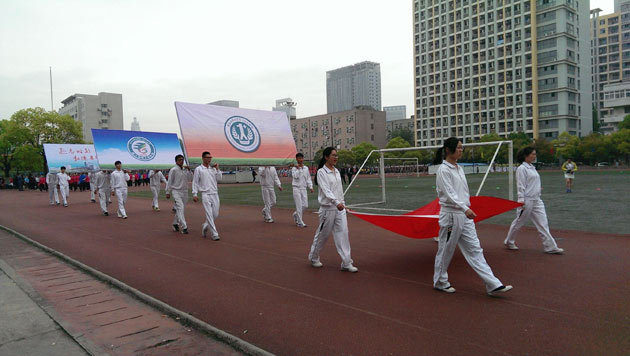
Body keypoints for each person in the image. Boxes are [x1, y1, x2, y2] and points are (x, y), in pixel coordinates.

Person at [433, 137, 512, 296]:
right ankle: (440, 281)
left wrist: (466, 206)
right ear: (449, 150)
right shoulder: (443, 170)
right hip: (451, 215)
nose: (461, 150)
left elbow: (462, 192)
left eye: (462, 148)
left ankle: (493, 284)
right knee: (446, 249)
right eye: (459, 148)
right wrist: (464, 207)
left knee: (475, 249)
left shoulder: (459, 168)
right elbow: (449, 193)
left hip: (464, 215)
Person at [504, 147, 564, 254]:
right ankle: (509, 241)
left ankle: (550, 246)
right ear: (526, 155)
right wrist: (521, 200)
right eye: (533, 154)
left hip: (537, 200)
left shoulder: (532, 167)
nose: (534, 156)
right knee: (518, 222)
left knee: (543, 223)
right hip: (527, 200)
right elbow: (520, 185)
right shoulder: (522, 169)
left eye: (535, 154)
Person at [308, 147, 358, 272]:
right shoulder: (321, 172)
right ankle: (314, 257)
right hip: (327, 209)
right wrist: (336, 202)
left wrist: (342, 204)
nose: (336, 157)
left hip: (339, 209)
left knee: (343, 233)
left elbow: (339, 191)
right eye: (333, 155)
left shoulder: (336, 171)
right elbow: (326, 191)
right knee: (323, 235)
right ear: (326, 157)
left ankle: (346, 262)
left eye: (337, 155)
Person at [192, 151, 222, 240]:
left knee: (215, 214)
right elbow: (195, 182)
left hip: (215, 193)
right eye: (207, 157)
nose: (209, 159)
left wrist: (217, 169)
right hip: (205, 194)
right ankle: (214, 234)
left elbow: (219, 178)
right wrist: (195, 193)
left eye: (210, 157)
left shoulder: (213, 169)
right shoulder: (199, 169)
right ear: (203, 158)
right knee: (209, 214)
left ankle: (205, 225)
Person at [166, 154, 193, 234]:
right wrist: (168, 191)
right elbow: (170, 181)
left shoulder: (185, 170)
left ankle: (175, 223)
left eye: (182, 159)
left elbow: (190, 179)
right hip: (176, 191)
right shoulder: (173, 169)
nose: (181, 161)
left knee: (180, 209)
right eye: (180, 160)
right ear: (176, 161)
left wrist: (189, 170)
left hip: (184, 192)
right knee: (180, 207)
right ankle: (184, 226)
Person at [290, 153, 314, 228]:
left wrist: (310, 186)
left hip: (303, 188)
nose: (300, 159)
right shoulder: (294, 168)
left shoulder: (306, 168)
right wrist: (298, 169)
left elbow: (308, 178)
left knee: (305, 205)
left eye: (301, 158)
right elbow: (295, 176)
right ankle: (300, 222)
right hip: (296, 188)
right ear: (296, 159)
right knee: (299, 205)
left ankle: (296, 214)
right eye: (299, 158)